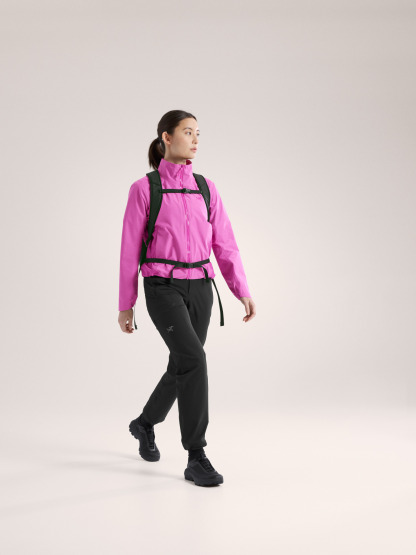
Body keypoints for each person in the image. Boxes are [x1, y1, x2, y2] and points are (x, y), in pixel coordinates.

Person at [118, 109, 256, 487]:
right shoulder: (144, 189)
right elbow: (130, 250)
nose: (195, 140)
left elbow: (225, 243)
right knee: (194, 360)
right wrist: (126, 303)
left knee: (183, 363)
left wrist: (240, 289)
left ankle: (144, 423)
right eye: (187, 132)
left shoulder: (206, 187)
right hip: (162, 287)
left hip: (201, 287)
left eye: (198, 133)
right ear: (166, 137)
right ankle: (196, 455)